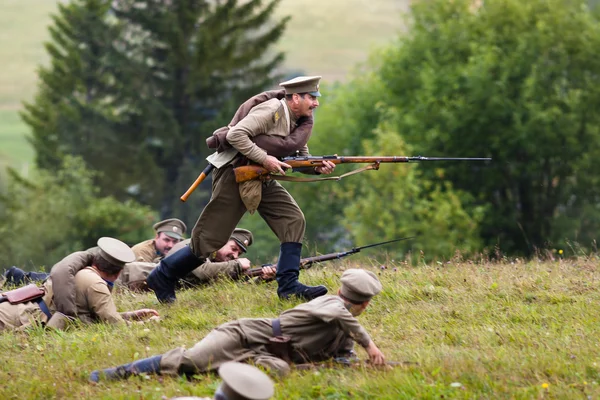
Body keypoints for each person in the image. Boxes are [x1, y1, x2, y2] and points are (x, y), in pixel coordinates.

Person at [147, 76, 336, 303]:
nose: (315, 103)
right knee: (209, 240)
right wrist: (265, 159)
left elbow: (299, 158)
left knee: (293, 220)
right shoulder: (273, 110)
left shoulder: (297, 119)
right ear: (295, 98)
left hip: (260, 175)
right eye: (311, 98)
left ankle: (288, 286)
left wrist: (317, 168)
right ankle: (163, 275)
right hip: (235, 174)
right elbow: (236, 134)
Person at [89, 269, 385, 381]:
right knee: (192, 361)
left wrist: (362, 363)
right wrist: (370, 346)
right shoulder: (331, 305)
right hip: (242, 336)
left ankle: (226, 372)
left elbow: (343, 356)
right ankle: (117, 373)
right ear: (363, 303)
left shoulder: (344, 327)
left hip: (270, 355)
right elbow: (343, 317)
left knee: (279, 372)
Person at [0, 238, 159, 331]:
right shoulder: (96, 284)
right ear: (118, 273)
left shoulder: (83, 271)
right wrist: (146, 324)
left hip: (18, 308)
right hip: (17, 318)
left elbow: (97, 318)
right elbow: (114, 324)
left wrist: (132, 315)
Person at [118, 229, 275, 290]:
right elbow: (201, 272)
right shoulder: (194, 245)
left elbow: (228, 287)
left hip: (139, 289)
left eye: (239, 254)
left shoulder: (215, 264)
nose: (234, 256)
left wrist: (261, 279)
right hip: (125, 279)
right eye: (233, 249)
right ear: (220, 240)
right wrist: (237, 265)